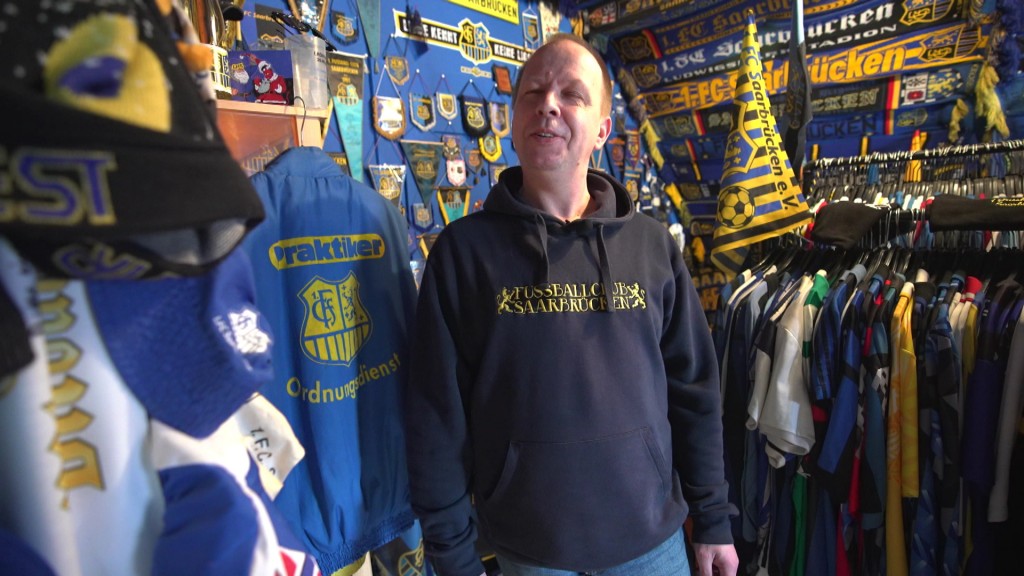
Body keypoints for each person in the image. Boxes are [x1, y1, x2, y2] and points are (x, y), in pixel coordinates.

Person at [404, 33, 739, 576]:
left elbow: (695, 392)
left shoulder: (652, 246)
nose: (548, 105)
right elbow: (435, 419)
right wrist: (452, 555)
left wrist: (714, 519)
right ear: (514, 118)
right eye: (533, 92)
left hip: (653, 547)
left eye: (571, 95)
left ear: (603, 129)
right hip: (529, 554)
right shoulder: (462, 254)